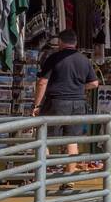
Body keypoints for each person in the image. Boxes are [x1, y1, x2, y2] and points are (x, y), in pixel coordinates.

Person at [32, 28, 100, 190]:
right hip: (78, 104)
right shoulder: (84, 60)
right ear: (75, 43)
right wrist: (79, 88)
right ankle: (69, 180)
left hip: (56, 102)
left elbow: (42, 82)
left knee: (43, 137)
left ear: (60, 42)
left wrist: (36, 105)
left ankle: (44, 174)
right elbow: (94, 83)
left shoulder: (53, 58)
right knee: (72, 140)